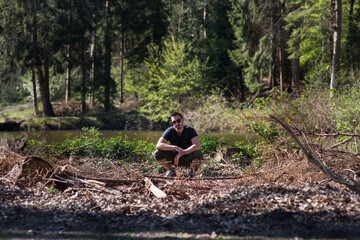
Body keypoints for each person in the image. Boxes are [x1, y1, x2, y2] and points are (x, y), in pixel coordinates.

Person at [154, 112, 203, 177]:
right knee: (157, 153)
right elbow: (158, 145)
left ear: (182, 120)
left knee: (198, 154)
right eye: (174, 122)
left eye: (178, 121)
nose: (177, 123)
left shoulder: (190, 130)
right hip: (174, 159)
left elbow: (197, 146)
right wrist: (174, 147)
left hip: (188, 157)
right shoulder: (170, 130)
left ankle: (192, 172)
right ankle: (171, 171)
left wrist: (183, 152)